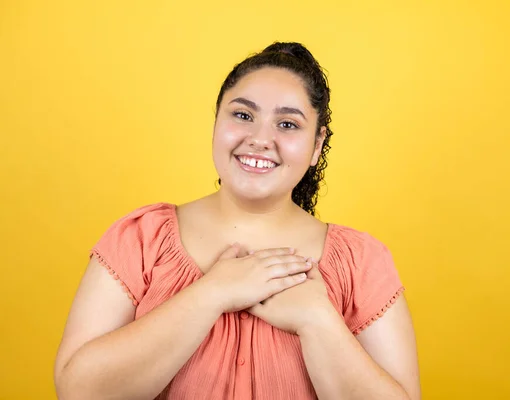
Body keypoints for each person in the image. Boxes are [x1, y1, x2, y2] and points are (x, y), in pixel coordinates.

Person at [54, 42, 421, 400]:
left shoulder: (362, 262)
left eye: (288, 124)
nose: (261, 139)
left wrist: (318, 321)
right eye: (243, 115)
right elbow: (78, 390)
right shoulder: (140, 239)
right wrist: (211, 294)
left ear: (317, 144)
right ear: (216, 122)